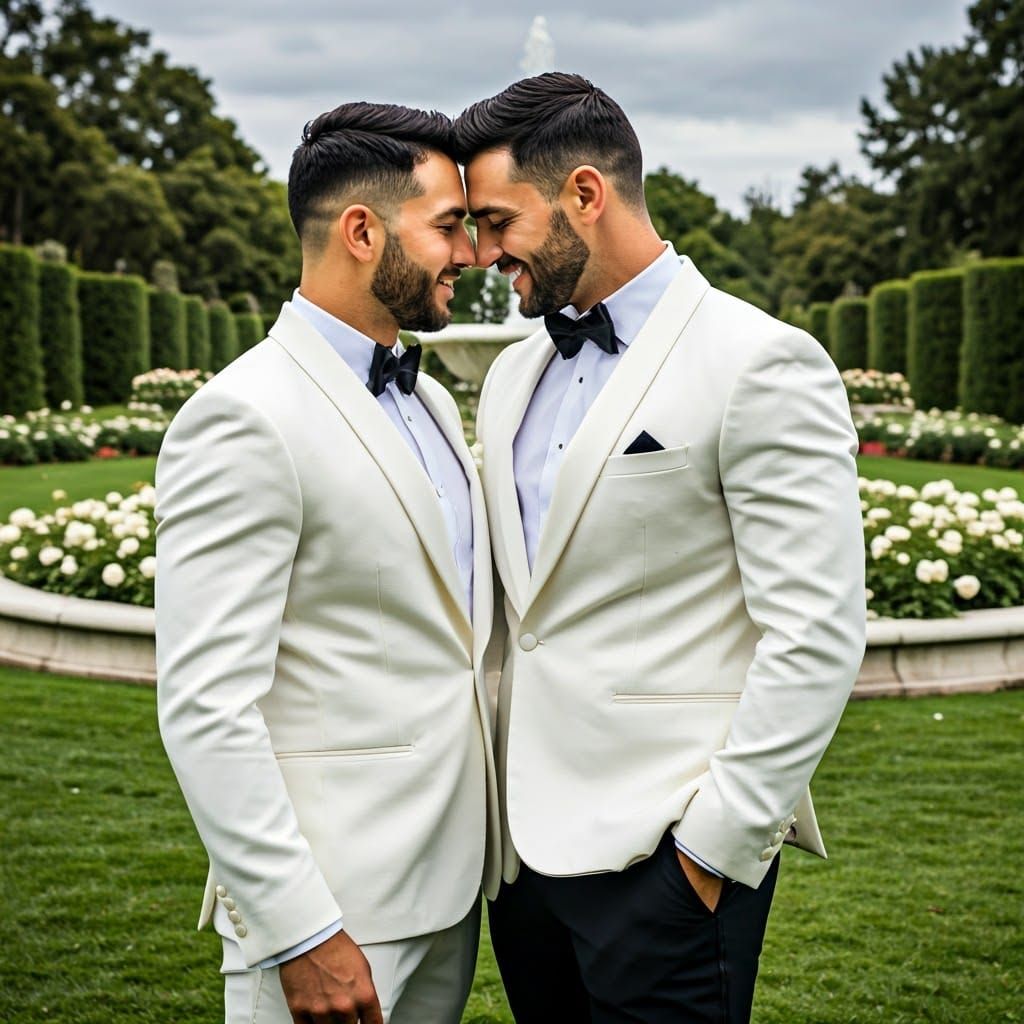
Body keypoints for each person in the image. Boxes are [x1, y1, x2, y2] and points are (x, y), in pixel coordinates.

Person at [454, 72, 866, 1024]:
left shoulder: (761, 361)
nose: (480, 253)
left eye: (497, 221)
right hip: (522, 870)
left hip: (666, 867)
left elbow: (814, 632)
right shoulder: (514, 372)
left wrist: (711, 855)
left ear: (584, 196)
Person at [155, 101, 501, 1024]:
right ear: (361, 230)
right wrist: (298, 930)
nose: (469, 256)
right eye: (445, 227)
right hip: (331, 909)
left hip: (448, 891)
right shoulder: (245, 417)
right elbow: (206, 703)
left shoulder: (426, 403)